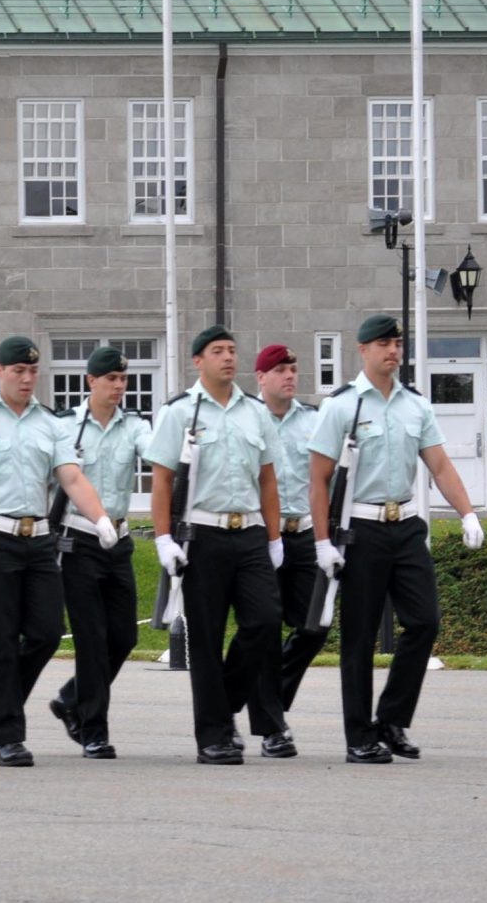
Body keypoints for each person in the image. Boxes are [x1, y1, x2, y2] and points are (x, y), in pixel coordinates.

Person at [308, 314, 485, 763]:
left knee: (424, 621)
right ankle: (359, 736)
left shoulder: (415, 405)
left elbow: (439, 466)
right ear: (363, 350)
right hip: (360, 529)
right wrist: (323, 543)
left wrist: (467, 514)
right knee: (360, 636)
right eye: (384, 343)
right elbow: (318, 479)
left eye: (397, 343)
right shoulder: (341, 406)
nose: (393, 350)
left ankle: (390, 719)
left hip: (404, 524)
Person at [0, 335, 116, 768]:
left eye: (33, 371)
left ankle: (0, 704)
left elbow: (71, 478)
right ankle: (8, 736)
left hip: (38, 539)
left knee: (47, 631)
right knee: (2, 635)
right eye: (19, 370)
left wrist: (100, 518)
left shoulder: (49, 423)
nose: (27, 378)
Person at [147, 325, 283, 765]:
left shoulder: (255, 412)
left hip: (248, 533)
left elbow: (267, 478)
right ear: (198, 361)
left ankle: (223, 707)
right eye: (217, 351)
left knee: (264, 621)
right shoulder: (179, 413)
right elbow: (163, 480)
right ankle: (213, 737)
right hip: (201, 534)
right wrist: (164, 538)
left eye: (231, 350)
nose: (228, 357)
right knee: (204, 638)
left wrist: (274, 537)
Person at [46, 346, 152, 760]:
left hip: (119, 539)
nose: (119, 386)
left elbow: (156, 453)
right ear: (91, 381)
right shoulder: (67, 428)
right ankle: (93, 729)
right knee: (91, 639)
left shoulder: (134, 426)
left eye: (123, 379)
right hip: (79, 540)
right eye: (111, 379)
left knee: (124, 635)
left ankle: (71, 697)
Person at [241, 343, 322, 758]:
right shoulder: (247, 419)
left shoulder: (313, 420)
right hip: (260, 536)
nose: (290, 376)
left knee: (315, 624)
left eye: (293, 368)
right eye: (280, 370)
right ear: (261, 378)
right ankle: (272, 727)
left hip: (304, 533)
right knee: (266, 630)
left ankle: (267, 697)